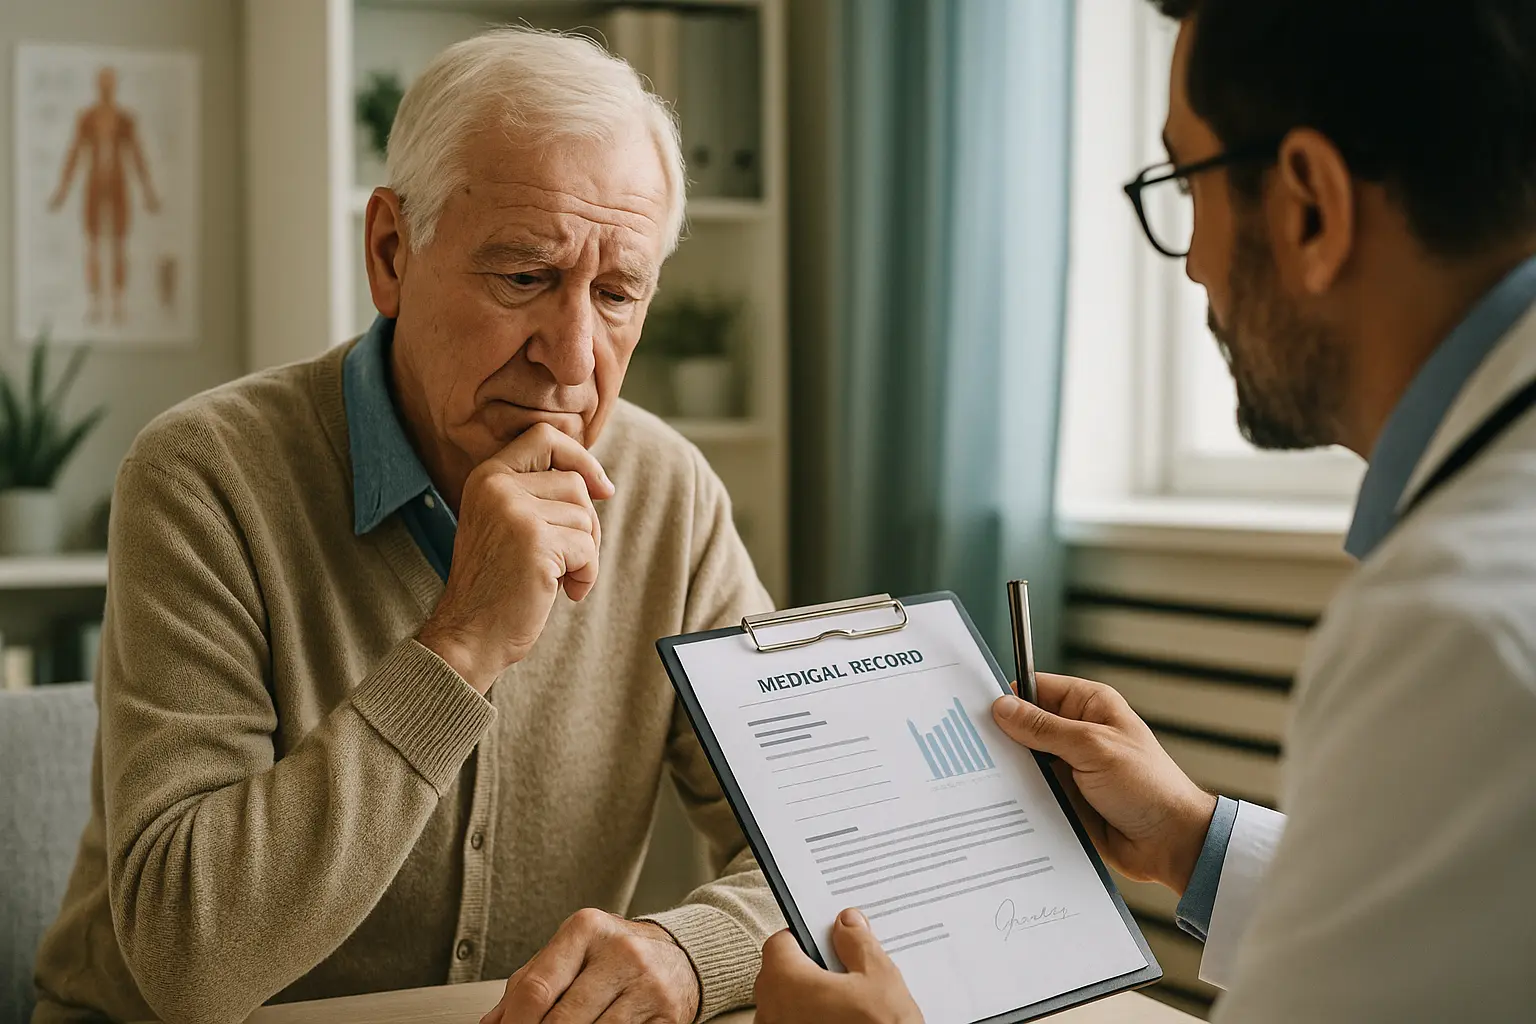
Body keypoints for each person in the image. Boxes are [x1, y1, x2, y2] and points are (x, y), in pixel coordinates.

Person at [754, 0, 1536, 1020]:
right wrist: (1191, 836)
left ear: (1309, 206)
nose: (1196, 263)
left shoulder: (1457, 624)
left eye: (1188, 183)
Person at [32, 29, 782, 1024]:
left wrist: (688, 953)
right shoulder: (203, 477)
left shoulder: (669, 497)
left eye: (615, 293)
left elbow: (816, 844)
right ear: (391, 252)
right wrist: (460, 643)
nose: (571, 358)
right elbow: (188, 962)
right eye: (525, 276)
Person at [47, 66, 160, 326]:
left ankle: (119, 303)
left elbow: (137, 156)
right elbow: (74, 154)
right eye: (102, 82)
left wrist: (148, 192)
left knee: (119, 245)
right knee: (94, 245)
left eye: (110, 82)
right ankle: (95, 303)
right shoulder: (87, 118)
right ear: (97, 85)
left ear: (115, 85)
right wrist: (62, 191)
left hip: (118, 185)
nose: (106, 87)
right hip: (94, 185)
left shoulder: (125, 119)